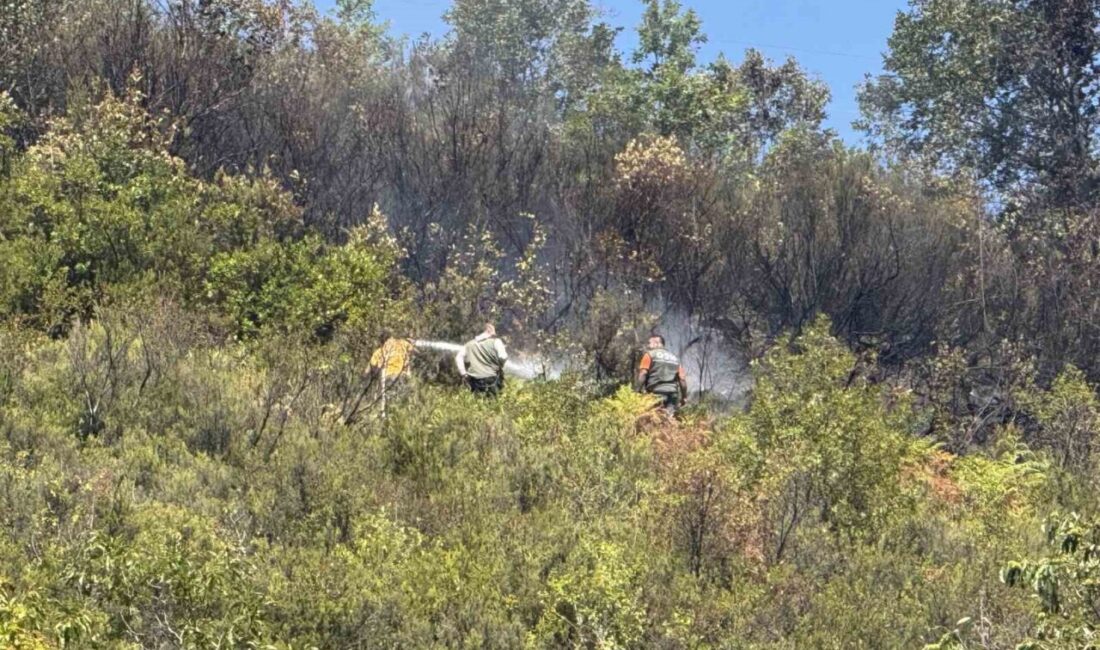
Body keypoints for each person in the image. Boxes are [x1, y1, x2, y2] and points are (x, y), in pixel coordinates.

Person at [635, 334, 688, 415]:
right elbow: (682, 379)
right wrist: (684, 397)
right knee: (669, 420)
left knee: (653, 420)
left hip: (655, 393)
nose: (648, 345)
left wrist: (637, 391)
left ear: (657, 343)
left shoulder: (649, 355)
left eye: (650, 343)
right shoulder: (675, 359)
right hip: (672, 395)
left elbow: (643, 373)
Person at [455, 323, 508, 396]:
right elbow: (503, 357)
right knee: (493, 403)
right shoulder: (496, 341)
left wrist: (464, 374)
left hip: (474, 381)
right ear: (490, 331)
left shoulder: (469, 344)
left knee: (476, 403)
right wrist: (500, 366)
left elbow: (458, 357)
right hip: (491, 380)